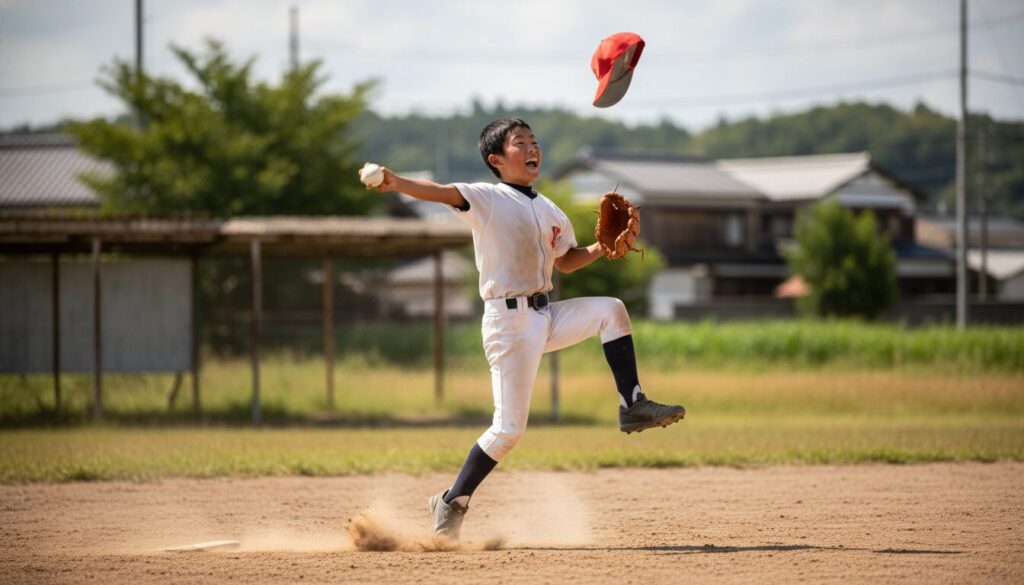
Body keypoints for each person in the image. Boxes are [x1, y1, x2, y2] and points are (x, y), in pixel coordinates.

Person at [365, 117, 685, 540]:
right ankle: (450, 501)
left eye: (534, 141)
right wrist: (394, 181)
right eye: (520, 142)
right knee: (508, 431)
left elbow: (566, 261)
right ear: (496, 159)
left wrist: (602, 249)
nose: (532, 148)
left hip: (544, 314)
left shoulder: (548, 208)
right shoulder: (487, 198)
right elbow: (443, 192)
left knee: (612, 310)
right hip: (508, 322)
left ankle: (633, 404)